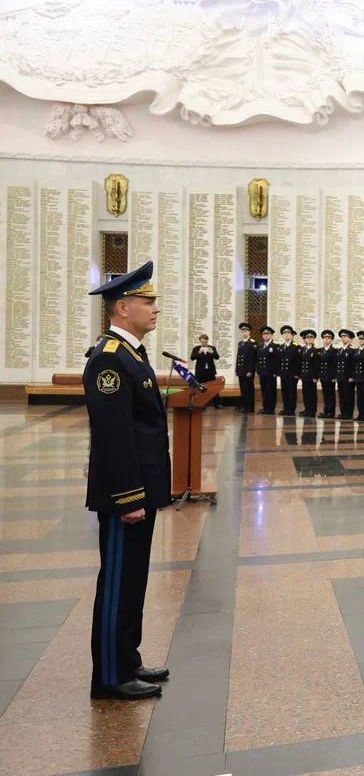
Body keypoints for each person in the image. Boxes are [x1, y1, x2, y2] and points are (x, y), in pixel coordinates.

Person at [84, 261, 171, 700]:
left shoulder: (132, 354)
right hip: (126, 495)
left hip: (140, 489)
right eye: (146, 301)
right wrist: (128, 498)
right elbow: (114, 436)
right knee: (118, 581)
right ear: (122, 307)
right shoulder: (110, 359)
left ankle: (127, 659)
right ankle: (110, 676)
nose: (155, 308)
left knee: (132, 580)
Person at [190, 333, 221, 408]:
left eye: (205, 342)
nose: (204, 343)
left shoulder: (212, 348)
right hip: (200, 372)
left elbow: (217, 357)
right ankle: (200, 404)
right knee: (199, 388)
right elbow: (192, 358)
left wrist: (212, 352)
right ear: (200, 341)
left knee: (213, 387)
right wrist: (199, 353)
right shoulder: (196, 348)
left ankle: (217, 404)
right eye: (203, 342)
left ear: (207, 341)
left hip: (210, 371)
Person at [278, 325, 301, 415]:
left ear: (292, 335)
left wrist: (297, 373)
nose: (286, 334)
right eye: (284, 333)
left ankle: (291, 409)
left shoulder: (296, 347)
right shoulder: (281, 347)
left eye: (288, 333)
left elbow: (298, 361)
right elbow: (279, 361)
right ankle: (286, 408)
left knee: (291, 391)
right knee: (284, 391)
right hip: (283, 373)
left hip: (292, 374)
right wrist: (279, 372)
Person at [234, 322, 256, 413]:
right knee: (243, 389)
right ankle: (245, 406)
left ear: (249, 332)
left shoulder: (252, 343)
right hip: (241, 370)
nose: (244, 333)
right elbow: (238, 357)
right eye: (242, 331)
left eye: (246, 331)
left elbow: (253, 359)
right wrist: (237, 369)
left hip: (248, 371)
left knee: (249, 389)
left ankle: (250, 407)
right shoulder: (240, 343)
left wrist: (250, 370)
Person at [256, 326, 278, 414]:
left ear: (271, 335)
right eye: (264, 334)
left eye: (268, 333)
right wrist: (258, 370)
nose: (265, 335)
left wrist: (275, 372)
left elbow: (277, 360)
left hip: (271, 373)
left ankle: (271, 408)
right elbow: (258, 359)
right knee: (264, 390)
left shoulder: (275, 346)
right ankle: (265, 407)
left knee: (270, 390)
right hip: (262, 372)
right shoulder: (260, 346)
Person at [298, 329, 320, 417]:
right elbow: (300, 363)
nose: (309, 339)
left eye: (311, 338)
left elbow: (317, 365)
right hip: (304, 375)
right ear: (305, 339)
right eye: (308, 338)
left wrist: (316, 377)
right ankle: (307, 409)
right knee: (305, 393)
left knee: (312, 394)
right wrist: (300, 374)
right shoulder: (302, 350)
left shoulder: (315, 350)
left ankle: (312, 410)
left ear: (314, 339)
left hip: (311, 376)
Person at [335, 328, 356, 420]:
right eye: (342, 337)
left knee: (348, 395)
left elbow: (353, 365)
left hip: (348, 377)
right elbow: (336, 364)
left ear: (350, 339)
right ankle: (343, 412)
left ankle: (348, 413)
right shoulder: (339, 350)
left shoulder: (352, 351)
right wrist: (336, 376)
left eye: (345, 337)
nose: (343, 338)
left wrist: (352, 376)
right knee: (342, 395)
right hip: (340, 376)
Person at [318, 329, 338, 418]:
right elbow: (318, 364)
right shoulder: (320, 350)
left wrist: (334, 376)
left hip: (330, 376)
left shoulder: (334, 351)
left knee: (331, 394)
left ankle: (331, 412)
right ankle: (326, 411)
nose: (326, 340)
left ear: (331, 340)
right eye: (325, 338)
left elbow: (335, 365)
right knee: (325, 394)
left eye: (329, 338)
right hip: (323, 376)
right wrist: (319, 375)